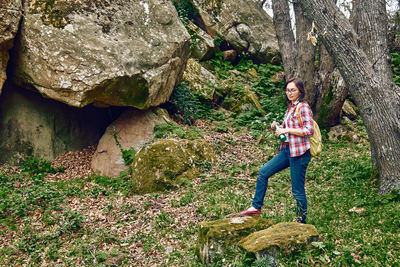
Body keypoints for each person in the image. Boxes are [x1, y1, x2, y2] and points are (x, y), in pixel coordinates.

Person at [239, 78, 314, 223]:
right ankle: (256, 207)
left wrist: (287, 129)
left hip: (300, 153)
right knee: (263, 173)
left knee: (297, 190)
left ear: (300, 91)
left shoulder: (303, 107)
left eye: (293, 90)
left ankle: (301, 220)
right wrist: (278, 126)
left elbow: (308, 130)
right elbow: (288, 131)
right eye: (287, 90)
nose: (289, 93)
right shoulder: (291, 107)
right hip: (287, 150)